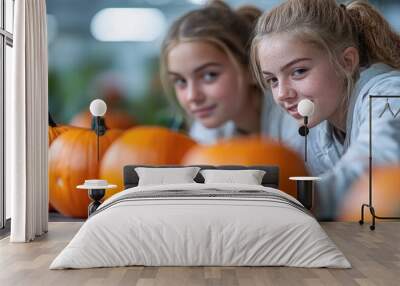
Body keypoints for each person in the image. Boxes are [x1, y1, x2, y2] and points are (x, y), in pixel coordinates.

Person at [250, 0, 400, 219]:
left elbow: (379, 170)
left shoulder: (389, 95)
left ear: (347, 62)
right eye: (273, 80)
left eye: (299, 71)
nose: (282, 94)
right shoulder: (321, 122)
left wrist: (301, 198)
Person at [160, 1, 301, 150]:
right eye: (181, 81)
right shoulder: (207, 130)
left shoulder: (296, 121)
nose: (192, 96)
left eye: (209, 75)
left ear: (252, 69)